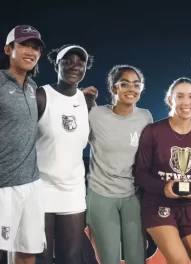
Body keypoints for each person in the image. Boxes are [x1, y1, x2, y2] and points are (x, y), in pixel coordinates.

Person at [135, 77, 191, 264]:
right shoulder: (153, 131)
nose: (186, 102)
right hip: (158, 205)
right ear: (170, 100)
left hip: (190, 207)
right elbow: (140, 174)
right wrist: (164, 187)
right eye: (180, 96)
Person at [35, 44, 96, 264]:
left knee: (70, 257)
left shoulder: (87, 101)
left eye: (80, 62)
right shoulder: (41, 96)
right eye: (67, 61)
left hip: (72, 189)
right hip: (40, 187)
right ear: (56, 64)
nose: (74, 66)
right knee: (41, 256)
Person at [86, 64, 153, 264]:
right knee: (109, 259)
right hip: (101, 194)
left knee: (137, 258)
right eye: (124, 84)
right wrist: (84, 97)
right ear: (114, 88)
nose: (131, 89)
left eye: (136, 85)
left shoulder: (145, 117)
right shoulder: (95, 115)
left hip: (133, 195)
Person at [0, 24, 46, 264]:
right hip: (3, 184)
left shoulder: (32, 88)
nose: (31, 51)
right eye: (24, 45)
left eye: (35, 47)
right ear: (9, 49)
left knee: (28, 252)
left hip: (32, 183)